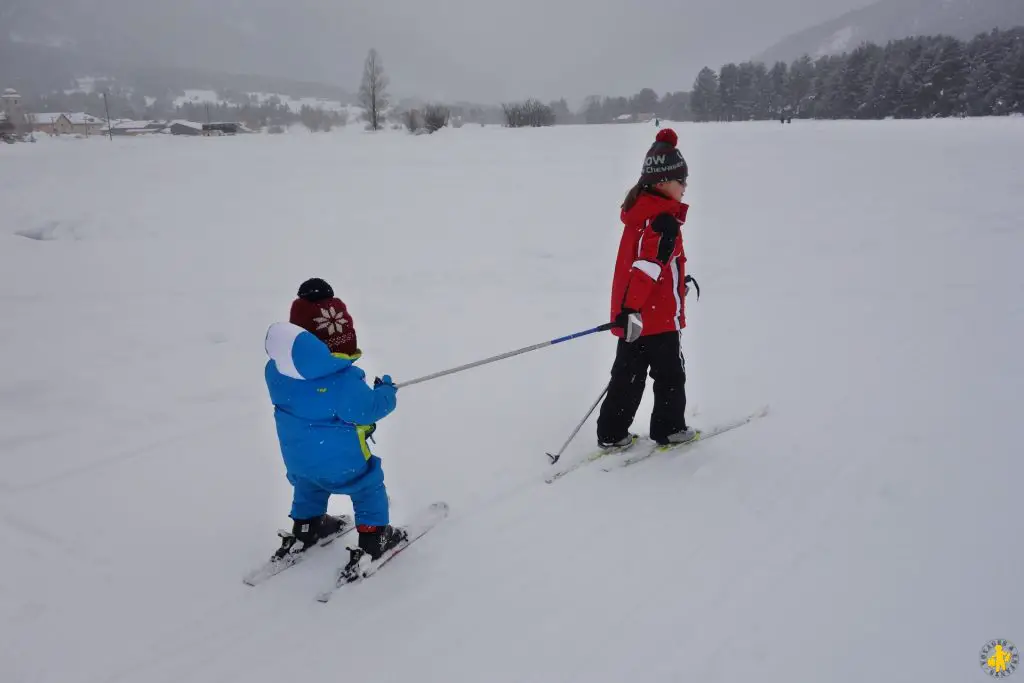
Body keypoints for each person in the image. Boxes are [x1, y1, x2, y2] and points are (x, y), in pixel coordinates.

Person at [263, 277, 407, 562]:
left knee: (309, 486)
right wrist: (386, 390)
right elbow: (370, 409)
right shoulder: (342, 382)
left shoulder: (275, 372)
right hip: (344, 465)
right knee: (367, 485)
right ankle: (374, 535)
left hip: (300, 461)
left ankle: (307, 527)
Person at [596, 128, 699, 449]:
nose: (684, 188)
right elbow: (647, 268)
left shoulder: (641, 214)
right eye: (682, 181)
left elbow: (647, 266)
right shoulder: (663, 221)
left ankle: (612, 434)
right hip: (655, 318)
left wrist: (630, 310)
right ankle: (669, 429)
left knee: (627, 377)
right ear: (664, 182)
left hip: (636, 318)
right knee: (670, 377)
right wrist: (633, 308)